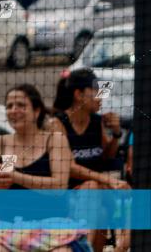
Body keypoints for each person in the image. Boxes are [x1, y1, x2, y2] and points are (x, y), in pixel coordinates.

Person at [0, 84, 89, 252]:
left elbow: (59, 187)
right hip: (9, 226)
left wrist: (15, 177)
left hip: (52, 225)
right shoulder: (0, 144)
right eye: (9, 106)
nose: (13, 110)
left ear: (37, 111)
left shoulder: (54, 140)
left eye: (21, 105)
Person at [45, 69, 129, 251]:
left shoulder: (96, 122)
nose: (101, 96)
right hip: (66, 196)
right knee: (101, 213)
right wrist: (107, 180)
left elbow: (107, 156)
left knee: (99, 193)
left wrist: (116, 134)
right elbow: (68, 167)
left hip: (97, 194)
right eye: (96, 91)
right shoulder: (57, 124)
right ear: (79, 95)